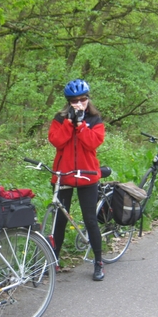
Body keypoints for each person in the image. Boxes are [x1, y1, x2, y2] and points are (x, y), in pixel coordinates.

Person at [48, 79, 106, 281]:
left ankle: (98, 262)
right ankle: (53, 261)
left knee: (90, 220)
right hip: (63, 175)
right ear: (68, 102)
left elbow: (93, 143)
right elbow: (56, 141)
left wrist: (81, 125)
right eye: (74, 101)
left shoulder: (95, 120)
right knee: (59, 222)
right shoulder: (60, 119)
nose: (79, 103)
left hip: (87, 175)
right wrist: (68, 123)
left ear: (88, 99)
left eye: (82, 99)